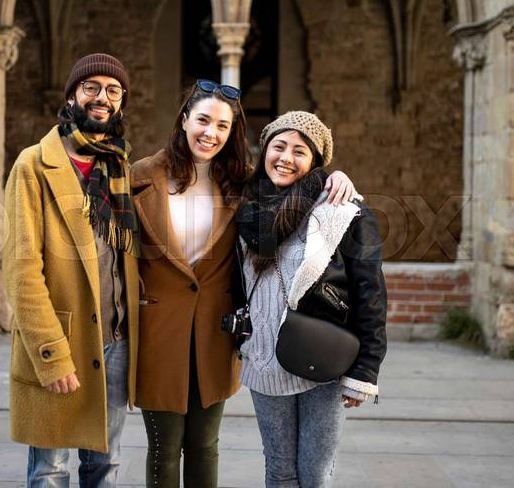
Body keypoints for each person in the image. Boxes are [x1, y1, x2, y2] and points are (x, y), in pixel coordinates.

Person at [131, 82, 356, 488]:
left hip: (216, 332)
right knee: (164, 446)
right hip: (158, 330)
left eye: (222, 125)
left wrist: (335, 176)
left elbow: (294, 179)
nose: (210, 133)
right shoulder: (139, 178)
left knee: (204, 444)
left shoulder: (240, 183)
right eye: (202, 120)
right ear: (184, 120)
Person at [3, 53, 139, 488]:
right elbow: (22, 269)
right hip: (63, 338)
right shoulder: (32, 165)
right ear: (72, 96)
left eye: (112, 91)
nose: (102, 97)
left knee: (105, 464)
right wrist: (51, 353)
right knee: (50, 470)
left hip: (115, 341)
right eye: (92, 87)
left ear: (120, 104)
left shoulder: (117, 165)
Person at [234, 110, 388, 488]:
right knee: (280, 470)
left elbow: (371, 294)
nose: (286, 157)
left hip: (322, 358)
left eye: (299, 151)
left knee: (315, 474)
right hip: (264, 360)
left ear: (315, 161)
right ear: (264, 149)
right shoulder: (245, 206)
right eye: (279, 146)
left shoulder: (342, 211)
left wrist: (365, 370)